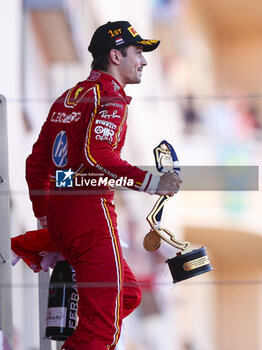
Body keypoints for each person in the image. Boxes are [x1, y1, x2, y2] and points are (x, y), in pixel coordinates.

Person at [26, 21, 182, 350]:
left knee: (126, 294)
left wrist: (45, 216)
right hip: (90, 213)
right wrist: (153, 181)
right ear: (115, 55)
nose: (144, 61)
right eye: (138, 52)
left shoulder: (69, 97)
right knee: (102, 328)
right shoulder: (109, 98)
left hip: (63, 211)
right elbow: (97, 154)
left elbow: (37, 163)